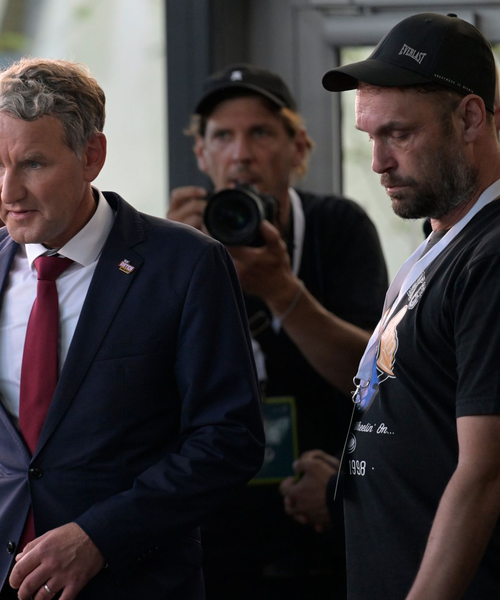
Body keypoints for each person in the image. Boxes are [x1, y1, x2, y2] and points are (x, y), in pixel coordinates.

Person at [0, 57, 265, 600]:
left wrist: (99, 537)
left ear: (91, 156)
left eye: (32, 164)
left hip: (133, 580)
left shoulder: (186, 264)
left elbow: (228, 440)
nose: (7, 193)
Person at [168, 64, 387, 597]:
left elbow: (377, 380)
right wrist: (167, 268)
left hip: (323, 525)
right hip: (216, 534)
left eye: (261, 133)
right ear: (201, 155)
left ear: (298, 147)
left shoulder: (337, 228)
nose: (241, 154)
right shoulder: (177, 245)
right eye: (222, 136)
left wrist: (282, 291)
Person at [323, 12, 500, 599]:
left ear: (470, 118)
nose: (378, 162)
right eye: (369, 137)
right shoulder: (447, 245)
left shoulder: (492, 255)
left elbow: (485, 471)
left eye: (399, 134)